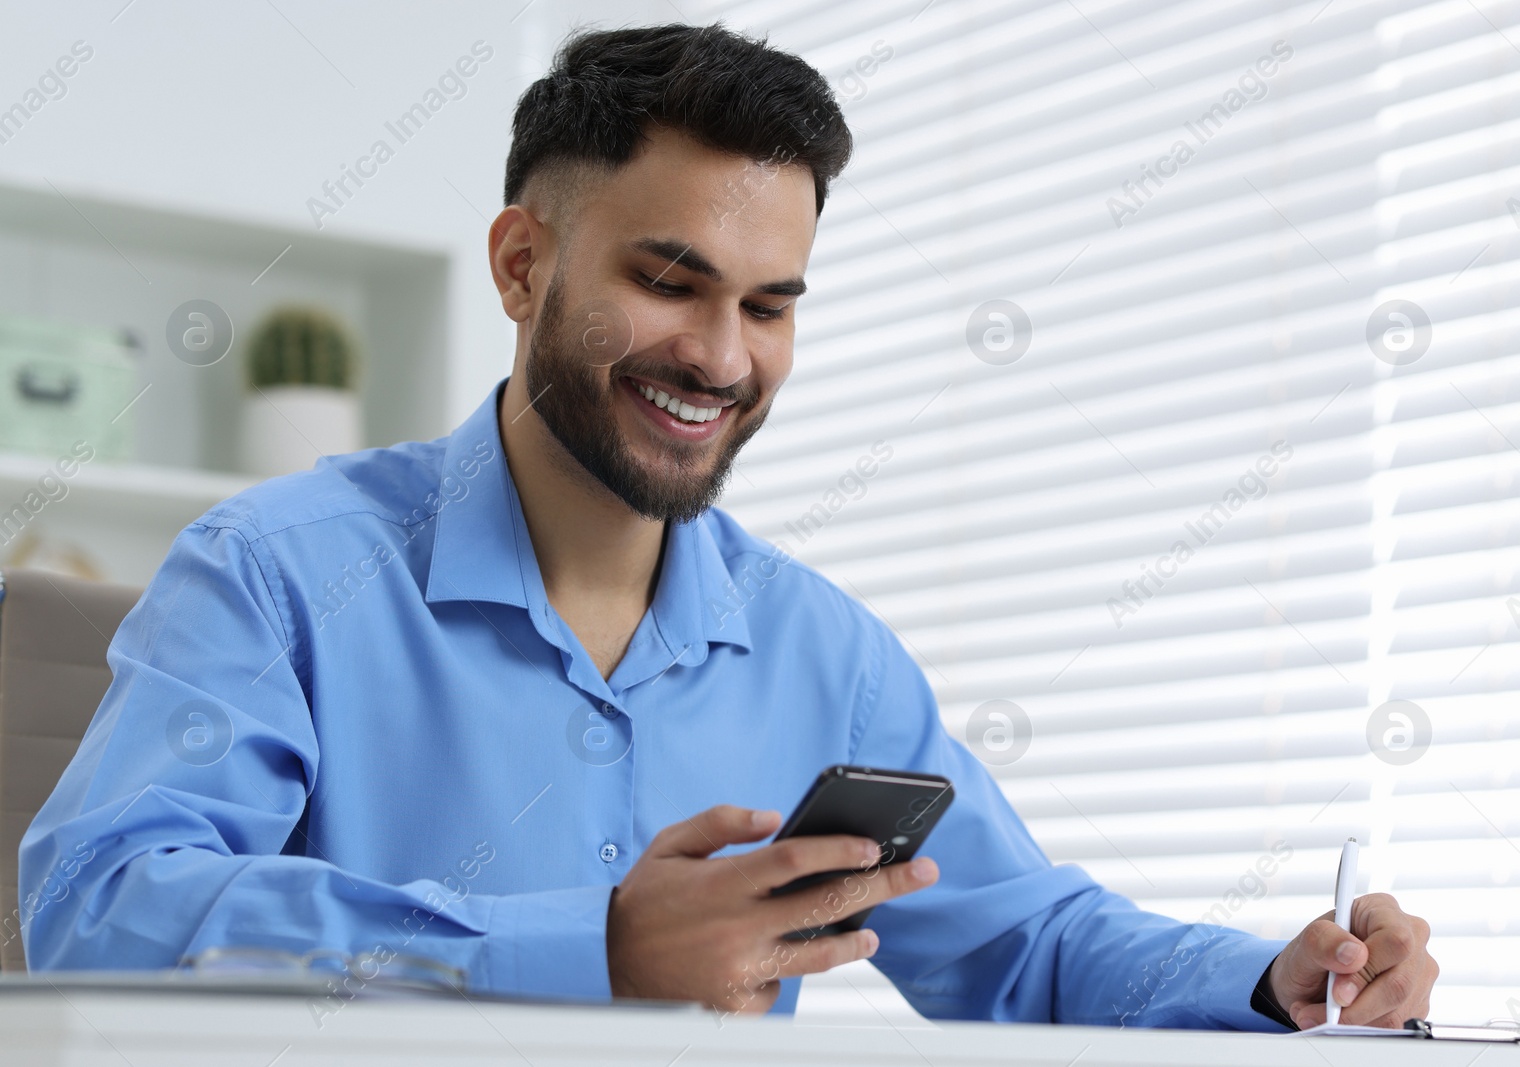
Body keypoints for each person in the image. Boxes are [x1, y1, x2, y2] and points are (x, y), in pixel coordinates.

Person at [21, 23, 1437, 1029]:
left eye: (769, 305)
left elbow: (1026, 945)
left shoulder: (829, 658)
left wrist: (1275, 978)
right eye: (669, 280)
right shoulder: (277, 570)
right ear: (523, 265)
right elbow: (105, 907)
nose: (719, 354)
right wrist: (593, 947)